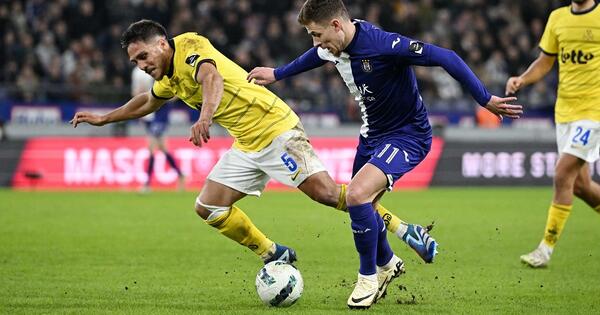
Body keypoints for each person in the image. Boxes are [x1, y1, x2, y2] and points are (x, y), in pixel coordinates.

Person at [70, 20, 438, 270]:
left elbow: (210, 77)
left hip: (275, 128)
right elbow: (147, 101)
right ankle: (273, 253)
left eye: (144, 56)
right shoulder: (168, 77)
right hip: (247, 143)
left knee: (328, 195)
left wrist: (205, 117)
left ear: (162, 44)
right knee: (208, 207)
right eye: (135, 61)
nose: (142, 64)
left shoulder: (190, 46)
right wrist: (104, 118)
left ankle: (404, 229)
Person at [247, 0, 522, 308]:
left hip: (408, 135)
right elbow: (315, 55)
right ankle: (389, 263)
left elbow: (446, 56)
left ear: (336, 25)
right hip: (372, 136)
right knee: (364, 206)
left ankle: (368, 277)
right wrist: (277, 73)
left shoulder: (383, 44)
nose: (316, 43)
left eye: (317, 34)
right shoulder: (333, 44)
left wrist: (484, 99)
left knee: (356, 195)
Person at [506, 0, 600, 268]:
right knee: (580, 185)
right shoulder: (558, 18)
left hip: (594, 113)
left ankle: (544, 250)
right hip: (565, 113)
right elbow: (545, 62)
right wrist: (522, 79)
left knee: (561, 174)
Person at [131, 67, 185, 193]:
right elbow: (136, 92)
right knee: (162, 148)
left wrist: (163, 98)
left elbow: (174, 92)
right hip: (149, 115)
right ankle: (181, 175)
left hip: (161, 113)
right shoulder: (138, 72)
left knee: (151, 147)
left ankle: (147, 184)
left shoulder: (159, 69)